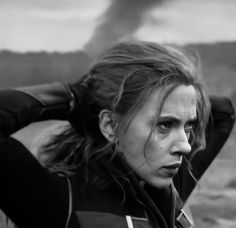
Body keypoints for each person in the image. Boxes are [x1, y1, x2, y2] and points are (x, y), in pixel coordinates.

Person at [0, 40, 234, 228]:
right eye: (165, 125)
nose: (185, 146)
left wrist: (180, 96)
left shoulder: (169, 185)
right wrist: (74, 98)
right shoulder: (58, 202)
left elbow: (223, 114)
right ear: (110, 126)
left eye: (188, 126)